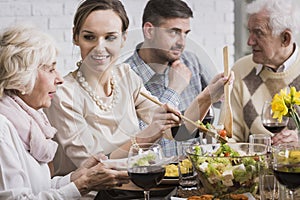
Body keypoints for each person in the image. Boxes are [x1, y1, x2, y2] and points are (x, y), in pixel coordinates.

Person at [44, 0, 184, 177]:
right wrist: (150, 133)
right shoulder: (63, 95)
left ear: (123, 39)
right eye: (89, 37)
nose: (99, 47)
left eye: (110, 37)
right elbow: (96, 167)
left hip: (132, 186)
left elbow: (171, 130)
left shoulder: (126, 76)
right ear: (75, 37)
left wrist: (206, 98)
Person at [0, 24, 129, 199]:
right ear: (21, 77)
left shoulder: (29, 121)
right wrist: (83, 185)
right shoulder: (3, 128)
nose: (60, 79)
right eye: (51, 69)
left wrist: (78, 176)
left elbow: (39, 189)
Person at [125, 0, 233, 156]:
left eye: (185, 33)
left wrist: (222, 91)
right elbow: (143, 143)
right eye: (174, 32)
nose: (182, 42)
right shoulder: (124, 78)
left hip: (195, 172)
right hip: (155, 177)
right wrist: (174, 89)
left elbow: (218, 106)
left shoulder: (192, 62)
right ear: (149, 31)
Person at [230, 0, 300, 144]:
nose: (250, 42)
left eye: (258, 33)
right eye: (250, 31)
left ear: (285, 39)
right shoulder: (240, 70)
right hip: (253, 165)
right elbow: (229, 138)